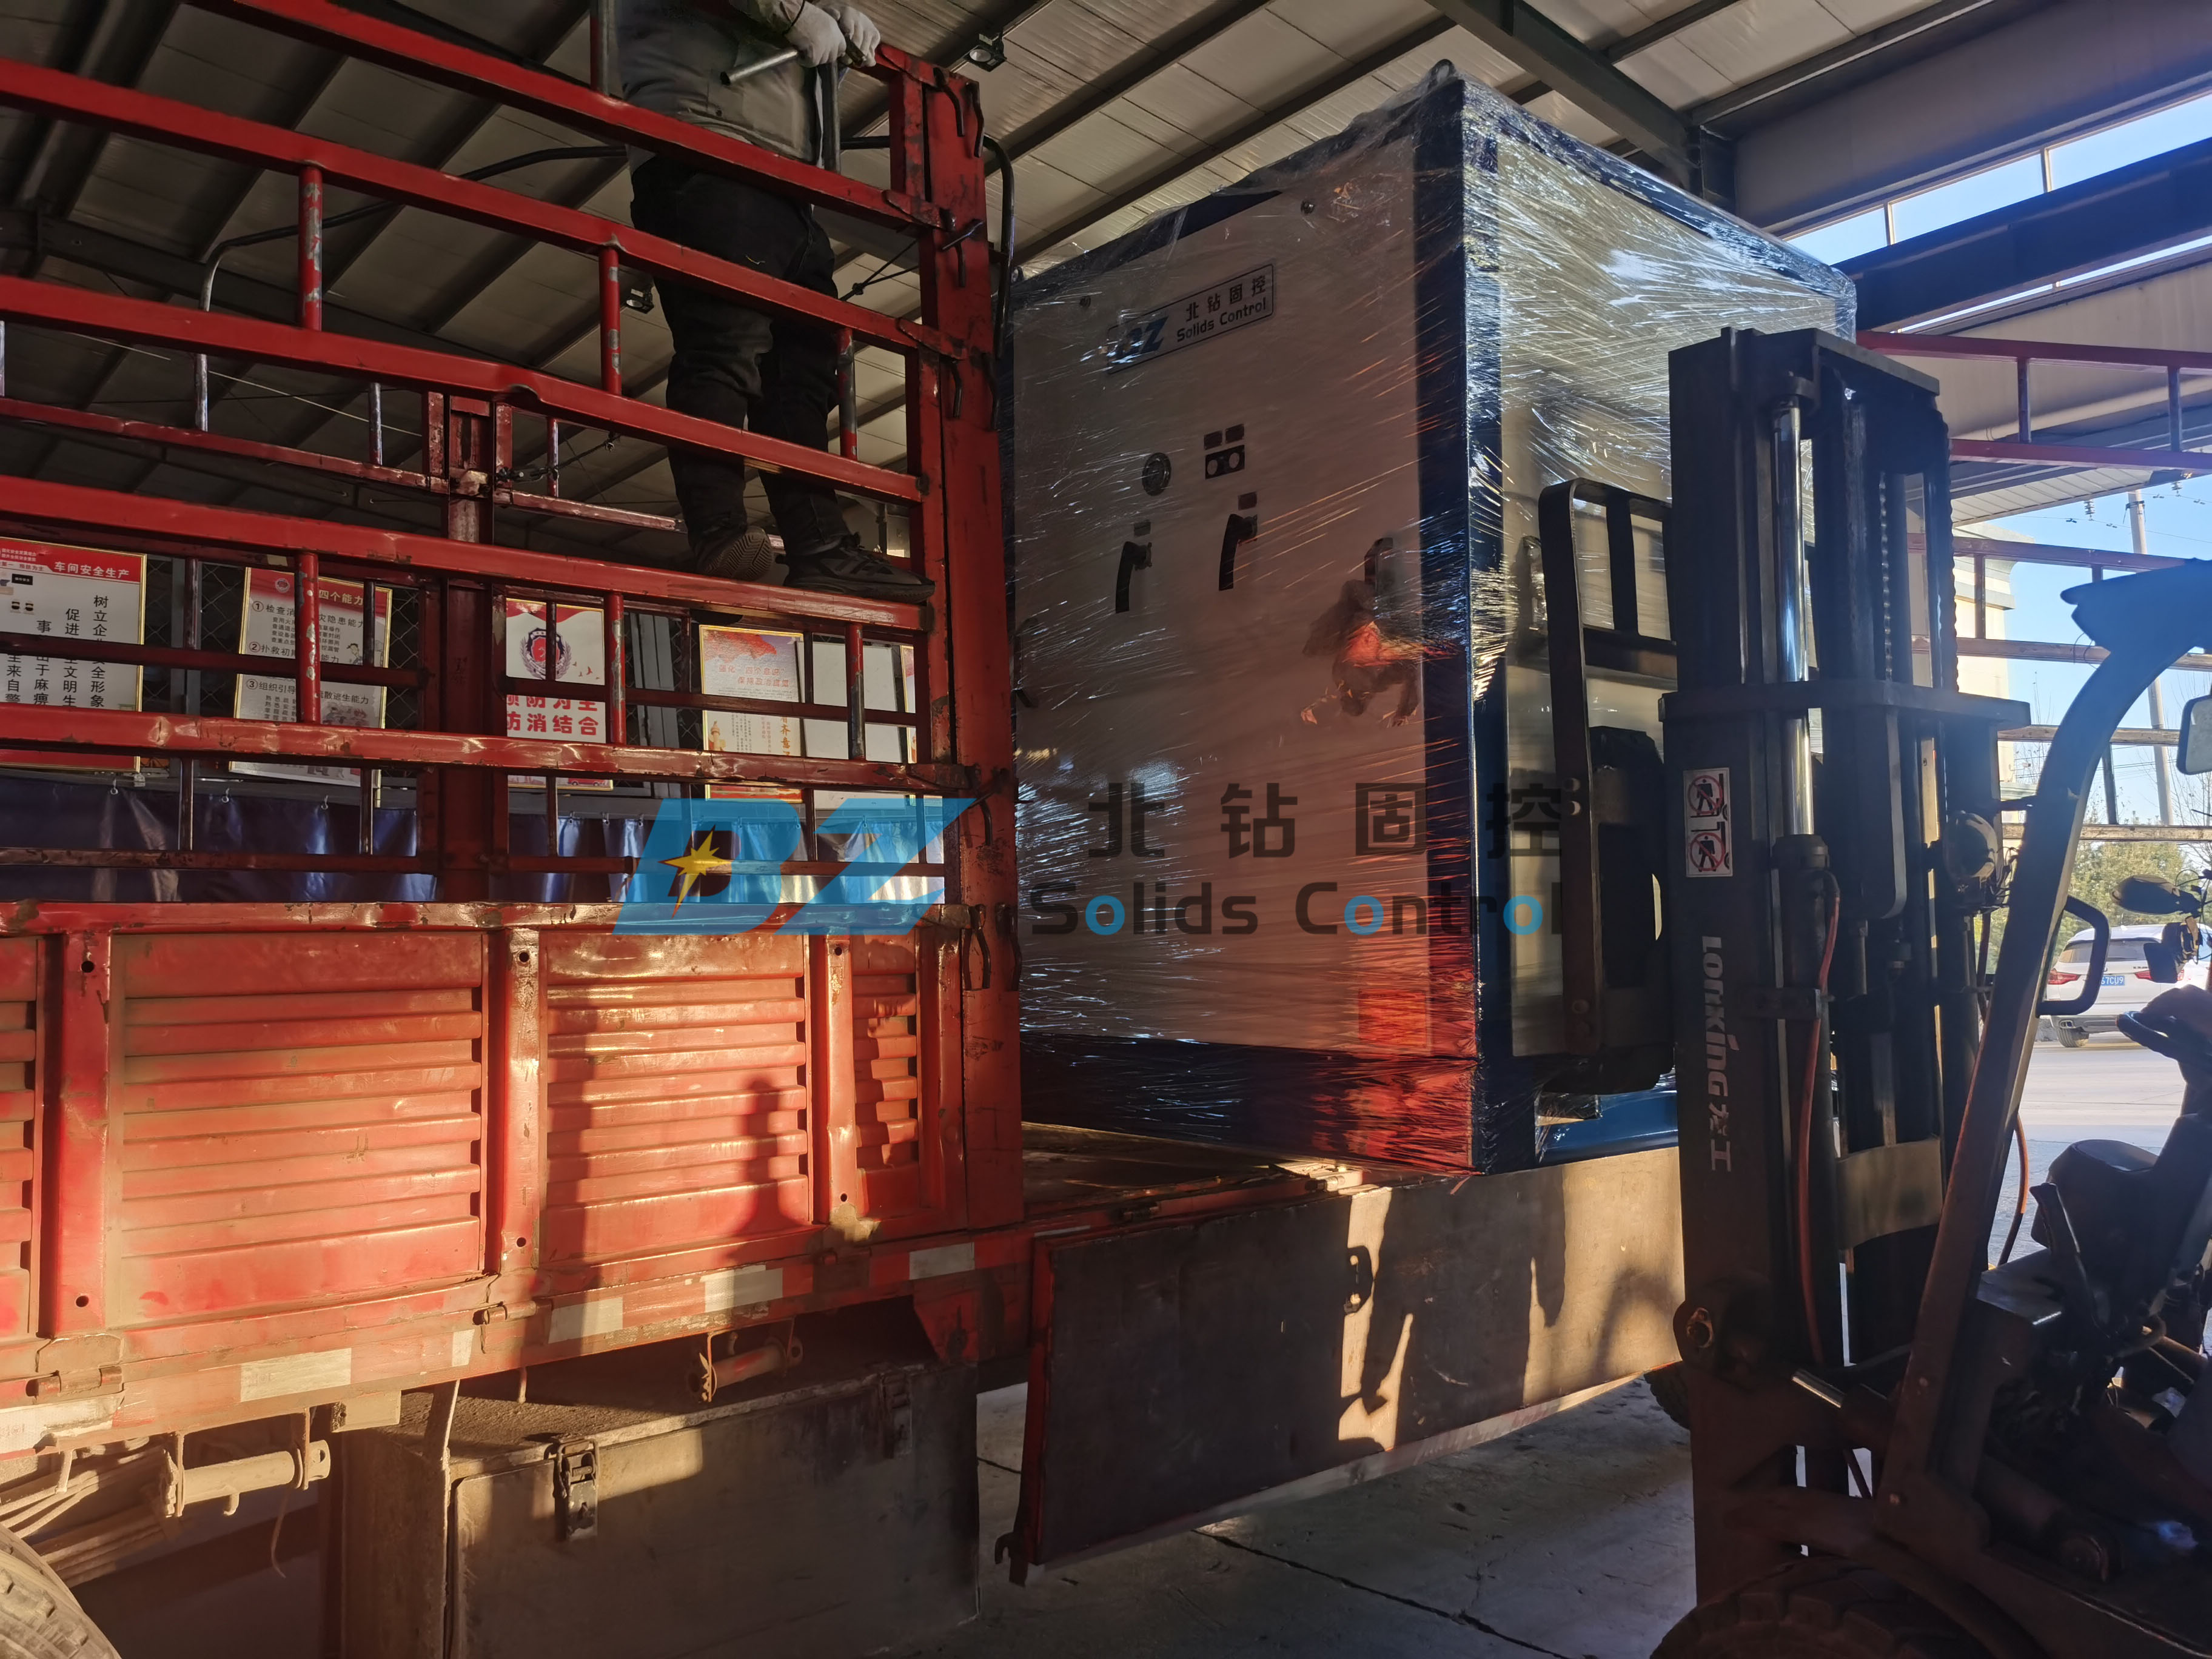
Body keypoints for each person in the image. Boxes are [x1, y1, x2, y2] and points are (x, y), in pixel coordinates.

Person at [620, 0, 930, 602]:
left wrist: (830, 15)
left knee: (802, 374)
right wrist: (796, 15)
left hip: (783, 176)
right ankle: (718, 533)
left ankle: (819, 545)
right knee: (725, 347)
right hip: (709, 143)